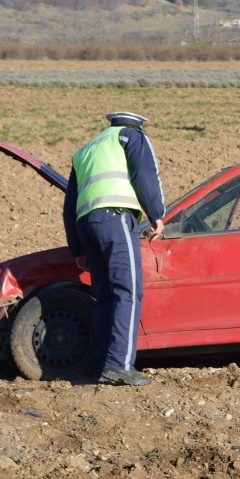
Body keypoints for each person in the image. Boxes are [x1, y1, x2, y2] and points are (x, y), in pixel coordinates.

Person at [63, 112, 166, 386]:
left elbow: (69, 203)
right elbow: (144, 173)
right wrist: (156, 213)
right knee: (128, 290)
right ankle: (119, 366)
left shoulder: (86, 149)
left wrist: (77, 248)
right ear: (137, 124)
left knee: (105, 296)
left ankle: (100, 365)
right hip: (116, 217)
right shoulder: (131, 136)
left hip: (87, 225)